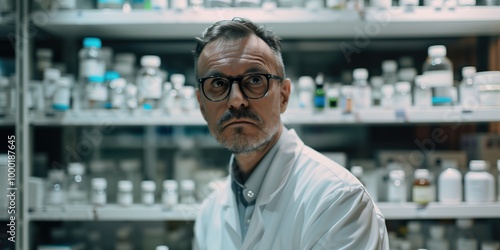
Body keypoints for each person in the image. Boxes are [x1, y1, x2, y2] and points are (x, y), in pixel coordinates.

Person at [193, 17, 389, 250]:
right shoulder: (209, 214)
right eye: (217, 84)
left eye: (255, 80)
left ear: (284, 96)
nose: (236, 100)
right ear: (202, 105)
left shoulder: (338, 200)